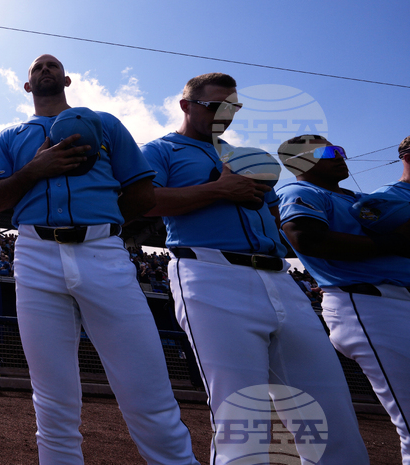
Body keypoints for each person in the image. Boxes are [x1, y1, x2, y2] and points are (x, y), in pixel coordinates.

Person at [141, 74, 367, 465]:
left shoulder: (248, 156)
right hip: (210, 272)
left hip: (280, 278)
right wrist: (218, 190)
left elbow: (277, 219)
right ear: (186, 106)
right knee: (243, 413)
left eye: (232, 108)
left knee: (330, 409)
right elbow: (141, 202)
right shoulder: (160, 150)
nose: (224, 115)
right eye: (215, 106)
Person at [0, 54, 197, 465]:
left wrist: (102, 225)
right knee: (52, 398)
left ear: (66, 79)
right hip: (35, 254)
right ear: (27, 86)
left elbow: (142, 194)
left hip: (103, 251)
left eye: (52, 66)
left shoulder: (105, 123)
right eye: (36, 68)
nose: (45, 70)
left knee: (147, 388)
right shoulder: (11, 136)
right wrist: (35, 169)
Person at [278, 134, 410, 463]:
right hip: (369, 304)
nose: (340, 155)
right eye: (328, 151)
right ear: (299, 162)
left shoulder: (360, 199)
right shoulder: (300, 192)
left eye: (339, 149)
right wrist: (394, 243)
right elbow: (307, 239)